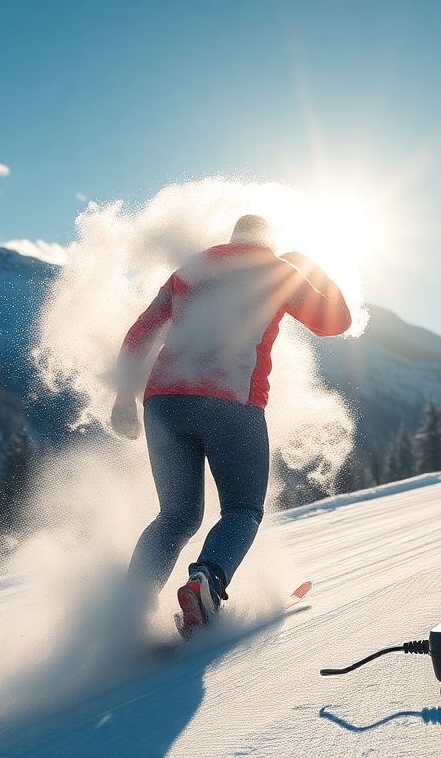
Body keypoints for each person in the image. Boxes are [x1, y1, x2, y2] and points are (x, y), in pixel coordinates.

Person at [112, 213, 351, 637]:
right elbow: (336, 322)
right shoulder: (278, 270)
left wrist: (123, 396)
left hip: (163, 403)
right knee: (242, 510)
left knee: (176, 515)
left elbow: (141, 333)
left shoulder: (191, 269)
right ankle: (205, 583)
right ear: (269, 242)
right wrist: (312, 270)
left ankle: (127, 610)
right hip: (230, 404)